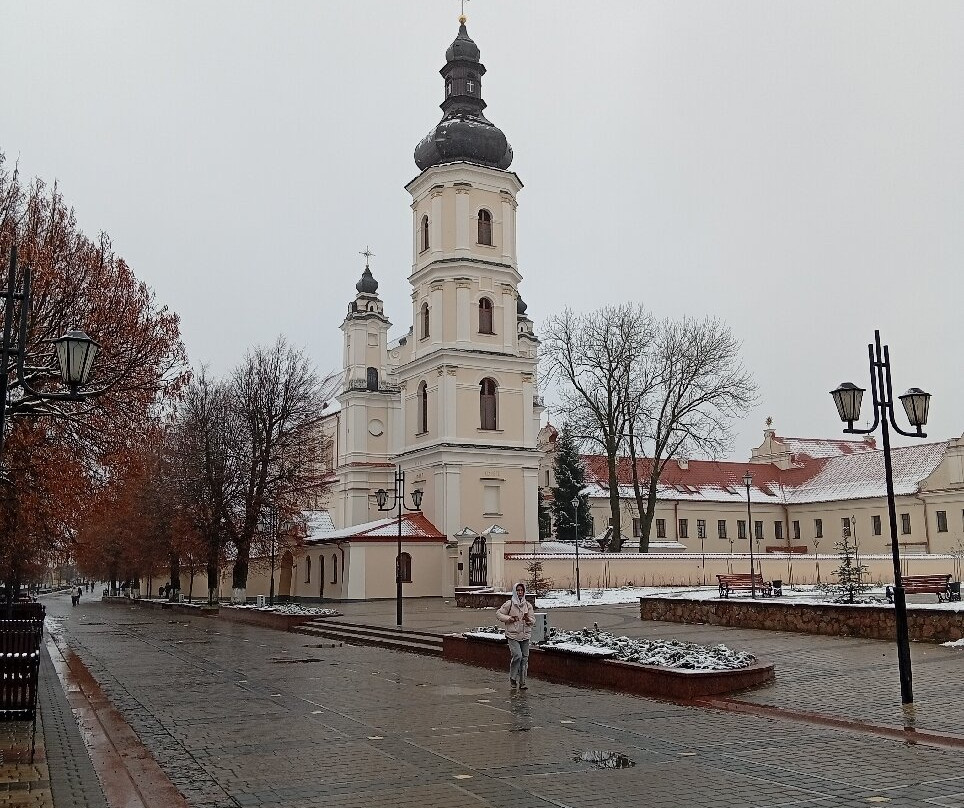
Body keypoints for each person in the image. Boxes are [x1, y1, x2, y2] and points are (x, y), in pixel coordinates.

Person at [495, 582, 535, 690]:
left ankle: (522, 682)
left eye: (522, 590)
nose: (520, 592)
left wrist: (528, 619)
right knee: (518, 655)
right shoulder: (510, 604)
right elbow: (498, 614)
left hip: (525, 635)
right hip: (512, 635)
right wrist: (509, 618)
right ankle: (513, 678)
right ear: (515, 591)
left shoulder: (528, 605)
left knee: (524, 659)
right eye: (518, 590)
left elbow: (532, 620)